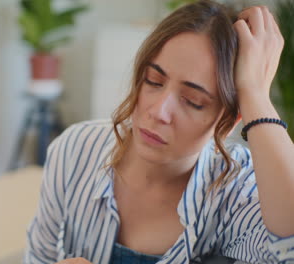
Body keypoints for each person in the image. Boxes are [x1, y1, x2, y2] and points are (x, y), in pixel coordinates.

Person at [23, 1, 294, 263]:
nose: (158, 111)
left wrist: (255, 95)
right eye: (154, 81)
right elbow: (39, 257)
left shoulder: (236, 189)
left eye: (192, 101)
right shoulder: (76, 149)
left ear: (230, 120)